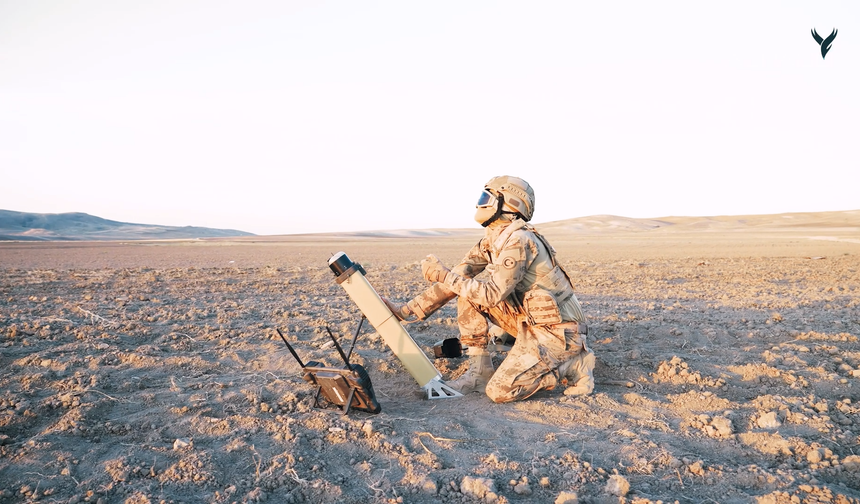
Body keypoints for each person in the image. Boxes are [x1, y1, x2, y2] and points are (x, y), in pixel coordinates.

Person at [387, 176, 595, 403]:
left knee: (500, 392)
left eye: (486, 198)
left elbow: (491, 295)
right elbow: (460, 277)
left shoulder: (520, 240)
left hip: (557, 332)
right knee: (467, 291)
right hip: (528, 321)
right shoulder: (493, 240)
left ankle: (571, 365)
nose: (480, 204)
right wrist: (407, 311)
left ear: (509, 204)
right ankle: (479, 373)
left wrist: (443, 274)